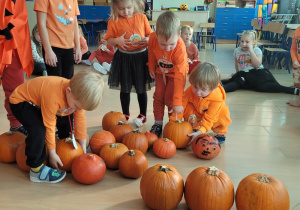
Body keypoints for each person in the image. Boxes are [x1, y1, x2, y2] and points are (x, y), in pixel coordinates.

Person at [9, 70, 104, 183]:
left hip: (41, 102)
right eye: (77, 106)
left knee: (67, 114)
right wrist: (52, 154)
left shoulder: (76, 94)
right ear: (68, 91)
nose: (77, 109)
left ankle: (61, 145)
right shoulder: (53, 96)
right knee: (39, 129)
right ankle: (36, 170)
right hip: (21, 102)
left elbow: (80, 119)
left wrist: (82, 148)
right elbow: (49, 125)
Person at [105, 0, 153, 127]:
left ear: (135, 5)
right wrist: (117, 40)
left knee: (141, 88)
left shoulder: (142, 17)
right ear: (115, 8)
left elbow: (150, 35)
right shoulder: (113, 21)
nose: (125, 12)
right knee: (124, 89)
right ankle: (125, 114)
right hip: (124, 58)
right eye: (121, 9)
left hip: (141, 57)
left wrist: (147, 39)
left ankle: (143, 114)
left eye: (129, 8)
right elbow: (108, 40)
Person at [148, 11, 189, 137]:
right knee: (159, 96)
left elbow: (179, 77)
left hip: (176, 74)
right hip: (161, 71)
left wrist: (177, 102)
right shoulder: (152, 38)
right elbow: (151, 52)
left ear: (179, 35)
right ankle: (158, 123)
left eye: (172, 44)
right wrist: (151, 66)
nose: (167, 48)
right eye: (163, 44)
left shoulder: (180, 49)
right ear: (156, 34)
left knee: (171, 98)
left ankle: (173, 123)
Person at [222, 30, 299, 95]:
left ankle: (291, 90)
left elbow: (257, 65)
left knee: (263, 87)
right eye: (242, 41)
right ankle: (221, 88)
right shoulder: (237, 50)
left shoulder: (257, 50)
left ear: (253, 42)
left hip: (257, 73)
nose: (244, 44)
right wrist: (237, 73)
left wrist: (251, 51)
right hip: (244, 75)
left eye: (247, 42)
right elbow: (237, 64)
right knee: (236, 81)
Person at [170, 62, 231, 144]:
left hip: (212, 115)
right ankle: (194, 127)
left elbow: (210, 117)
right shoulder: (189, 91)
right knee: (187, 106)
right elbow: (181, 106)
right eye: (195, 87)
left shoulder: (217, 98)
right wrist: (174, 121)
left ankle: (219, 132)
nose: (198, 92)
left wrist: (201, 131)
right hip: (197, 111)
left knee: (222, 111)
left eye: (203, 89)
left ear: (213, 88)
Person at [0, 0, 34, 136]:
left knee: (15, 90)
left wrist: (8, 29)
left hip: (12, 47)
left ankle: (16, 124)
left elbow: (21, 17)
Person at [34, 0, 81, 79]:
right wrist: (48, 50)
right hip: (53, 47)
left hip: (69, 47)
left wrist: (78, 47)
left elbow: (75, 23)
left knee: (67, 82)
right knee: (55, 83)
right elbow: (41, 24)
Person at [291, 7, 300, 88]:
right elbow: (293, 49)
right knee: (297, 87)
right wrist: (294, 60)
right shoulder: (297, 31)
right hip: (298, 64)